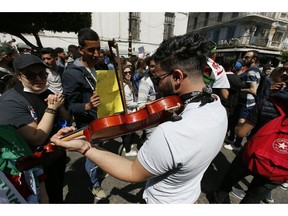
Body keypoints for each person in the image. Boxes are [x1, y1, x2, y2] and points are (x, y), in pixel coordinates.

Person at [52, 32, 228, 204]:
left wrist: (84, 146)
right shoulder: (218, 107)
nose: (157, 83)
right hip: (188, 195)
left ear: (177, 77)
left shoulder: (171, 133)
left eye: (159, 78)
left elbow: (131, 171)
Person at [0, 54, 71, 203]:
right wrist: (52, 108)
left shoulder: (46, 91)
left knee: (56, 195)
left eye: (42, 74)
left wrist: (60, 105)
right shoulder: (11, 100)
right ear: (19, 76)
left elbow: (66, 118)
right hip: (34, 167)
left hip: (55, 156)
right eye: (31, 75)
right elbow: (36, 137)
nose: (38, 79)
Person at [211, 67, 288, 204]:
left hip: (251, 156)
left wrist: (238, 126)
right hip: (280, 168)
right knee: (252, 200)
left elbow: (241, 132)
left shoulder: (267, 103)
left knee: (225, 186)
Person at [61, 27, 106, 200]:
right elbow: (70, 105)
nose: (96, 54)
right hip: (87, 123)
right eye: (91, 50)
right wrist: (87, 106)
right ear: (80, 50)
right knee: (92, 155)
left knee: (99, 152)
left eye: (98, 49)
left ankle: (97, 174)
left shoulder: (100, 66)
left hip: (103, 119)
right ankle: (94, 185)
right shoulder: (71, 73)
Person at [224, 50, 261, 151]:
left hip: (247, 103)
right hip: (242, 102)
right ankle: (232, 139)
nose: (244, 59)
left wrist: (239, 89)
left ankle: (237, 145)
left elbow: (253, 90)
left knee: (241, 123)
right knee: (236, 120)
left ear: (254, 59)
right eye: (245, 57)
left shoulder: (252, 71)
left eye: (247, 57)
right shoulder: (251, 70)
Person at [121, 65, 138, 157]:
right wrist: (139, 103)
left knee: (126, 131)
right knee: (128, 131)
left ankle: (126, 146)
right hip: (128, 111)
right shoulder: (126, 86)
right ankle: (127, 151)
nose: (128, 74)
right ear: (122, 74)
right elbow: (128, 103)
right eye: (125, 72)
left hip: (126, 111)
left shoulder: (127, 83)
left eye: (129, 72)